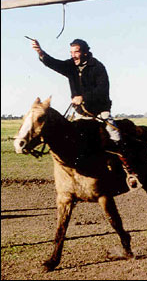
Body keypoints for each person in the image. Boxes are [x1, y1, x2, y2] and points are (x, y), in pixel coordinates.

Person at [31, 38, 138, 188]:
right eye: (71, 52)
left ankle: (130, 172)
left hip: (100, 113)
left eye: (76, 52)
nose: (73, 55)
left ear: (85, 53)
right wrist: (40, 52)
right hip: (81, 114)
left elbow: (102, 90)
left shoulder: (98, 67)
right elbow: (54, 63)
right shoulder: (71, 66)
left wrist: (83, 97)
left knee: (115, 135)